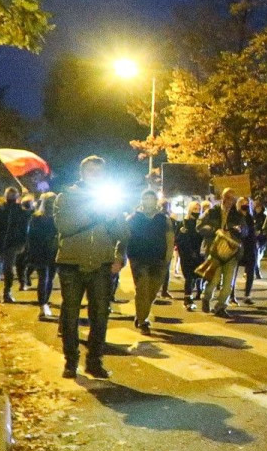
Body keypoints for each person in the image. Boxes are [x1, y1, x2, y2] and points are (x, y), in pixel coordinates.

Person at [54, 156, 127, 379]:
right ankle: (70, 361)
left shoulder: (110, 199)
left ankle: (94, 361)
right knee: (70, 314)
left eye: (100, 172)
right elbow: (64, 226)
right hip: (71, 263)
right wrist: (94, 212)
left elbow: (122, 233)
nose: (96, 175)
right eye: (92, 171)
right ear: (82, 172)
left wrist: (119, 255)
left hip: (101, 264)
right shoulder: (66, 196)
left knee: (100, 315)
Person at [125, 190, 174, 336]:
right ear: (141, 200)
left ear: (156, 201)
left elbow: (170, 239)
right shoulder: (133, 218)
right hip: (139, 260)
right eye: (145, 198)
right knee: (142, 290)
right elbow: (125, 237)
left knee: (152, 291)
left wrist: (168, 257)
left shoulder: (163, 219)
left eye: (151, 198)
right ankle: (143, 321)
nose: (148, 201)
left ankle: (140, 314)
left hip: (158, 260)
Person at [198, 188, 246, 318]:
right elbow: (200, 226)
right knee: (213, 280)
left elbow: (245, 231)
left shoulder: (238, 215)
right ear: (222, 197)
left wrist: (239, 230)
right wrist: (215, 230)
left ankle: (221, 307)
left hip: (231, 251)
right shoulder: (212, 212)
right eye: (226, 197)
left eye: (231, 198)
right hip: (215, 251)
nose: (228, 201)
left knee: (228, 283)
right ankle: (206, 298)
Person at [0, 187, 30, 303]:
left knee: (8, 270)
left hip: (12, 244)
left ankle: (7, 292)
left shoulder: (21, 211)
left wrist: (23, 242)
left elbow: (25, 228)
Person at [26, 193, 60, 320]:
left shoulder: (39, 218)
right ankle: (43, 304)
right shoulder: (40, 218)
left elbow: (31, 237)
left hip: (48, 252)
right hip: (45, 252)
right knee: (46, 278)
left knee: (46, 278)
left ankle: (44, 304)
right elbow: (32, 237)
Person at [176, 201, 205, 310]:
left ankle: (194, 294)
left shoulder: (200, 223)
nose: (196, 211)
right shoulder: (184, 222)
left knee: (196, 276)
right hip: (187, 254)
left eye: (198, 209)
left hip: (199, 254)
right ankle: (187, 298)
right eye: (194, 209)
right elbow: (178, 239)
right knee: (189, 276)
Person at [235, 196, 259, 305]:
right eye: (242, 203)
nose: (245, 205)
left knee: (250, 272)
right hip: (239, 246)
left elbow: (252, 231)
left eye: (247, 203)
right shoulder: (235, 216)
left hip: (250, 247)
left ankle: (247, 295)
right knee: (233, 272)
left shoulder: (250, 217)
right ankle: (231, 296)